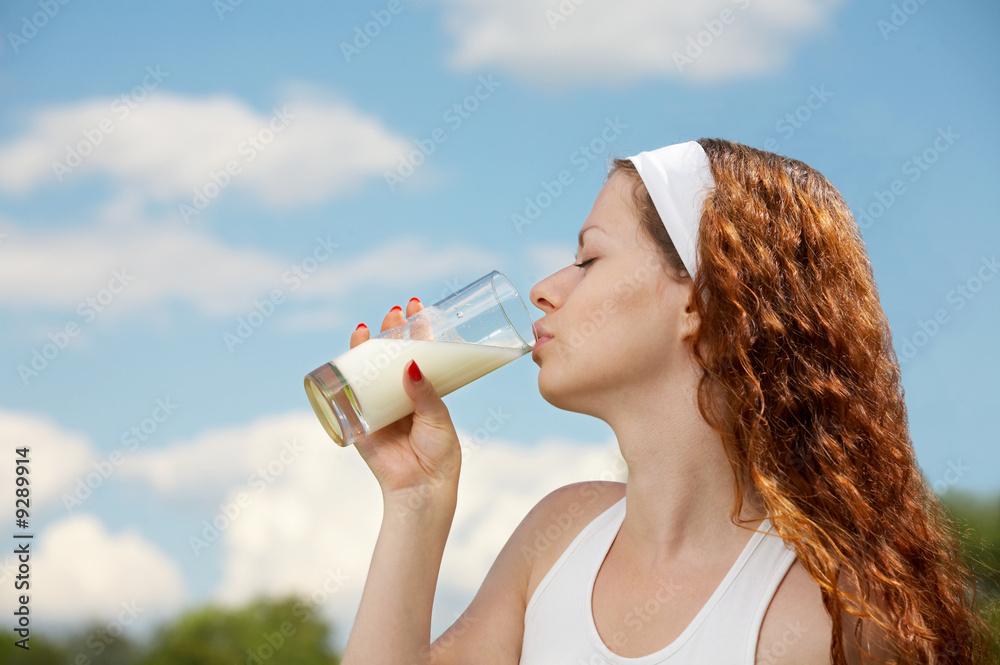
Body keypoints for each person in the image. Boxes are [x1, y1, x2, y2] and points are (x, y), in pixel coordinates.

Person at [340, 139, 988, 664]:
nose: (543, 289)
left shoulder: (828, 618)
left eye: (590, 258)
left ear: (699, 301)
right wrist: (415, 497)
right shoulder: (557, 538)